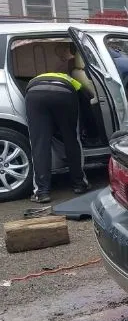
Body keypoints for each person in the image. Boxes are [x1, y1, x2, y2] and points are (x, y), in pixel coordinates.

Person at [24, 43, 89, 203]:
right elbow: (85, 101)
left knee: (40, 144)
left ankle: (42, 192)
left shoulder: (35, 79)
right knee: (71, 139)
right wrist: (87, 127)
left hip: (34, 95)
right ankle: (79, 184)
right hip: (64, 94)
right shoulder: (72, 79)